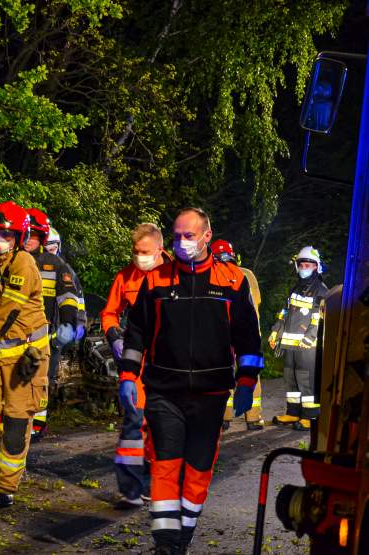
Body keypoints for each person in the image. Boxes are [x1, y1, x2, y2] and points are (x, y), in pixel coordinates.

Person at [119, 207, 262, 554]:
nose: (181, 243)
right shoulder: (155, 280)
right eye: (177, 236)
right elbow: (136, 332)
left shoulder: (231, 281)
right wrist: (127, 375)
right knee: (165, 466)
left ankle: (183, 534)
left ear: (206, 236)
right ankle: (166, 544)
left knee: (198, 470)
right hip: (163, 392)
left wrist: (245, 381)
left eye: (189, 236)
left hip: (211, 394)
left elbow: (248, 337)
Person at [0, 201, 50, 508]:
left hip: (22, 357)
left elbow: (8, 311)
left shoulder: (23, 264)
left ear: (19, 237)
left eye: (6, 235)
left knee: (17, 422)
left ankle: (6, 484)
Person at [100, 223, 169, 509]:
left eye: (144, 252)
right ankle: (130, 489)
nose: (138, 257)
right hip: (136, 363)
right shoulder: (126, 276)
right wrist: (115, 337)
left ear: (160, 250)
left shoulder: (177, 275)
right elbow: (109, 313)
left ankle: (155, 483)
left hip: (168, 364)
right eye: (135, 252)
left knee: (162, 425)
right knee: (133, 422)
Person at [23, 209, 80, 439]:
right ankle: (15, 423)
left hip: (47, 335)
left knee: (41, 380)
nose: (30, 240)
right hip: (14, 334)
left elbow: (68, 296)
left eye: (35, 236)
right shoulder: (9, 262)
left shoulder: (56, 265)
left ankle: (38, 423)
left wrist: (68, 323)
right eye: (27, 235)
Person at [269, 246, 328, 431]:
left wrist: (309, 338)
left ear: (316, 267)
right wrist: (276, 331)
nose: (304, 267)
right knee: (291, 379)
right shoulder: (295, 288)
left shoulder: (321, 290)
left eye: (308, 264)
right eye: (301, 264)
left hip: (307, 346)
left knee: (306, 381)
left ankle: (310, 416)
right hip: (290, 344)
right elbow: (285, 312)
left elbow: (319, 317)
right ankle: (293, 412)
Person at [211, 239, 265, 431]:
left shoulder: (213, 274)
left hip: (223, 334)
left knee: (225, 371)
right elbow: (256, 302)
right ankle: (253, 417)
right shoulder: (247, 274)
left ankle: (223, 418)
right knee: (250, 371)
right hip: (248, 332)